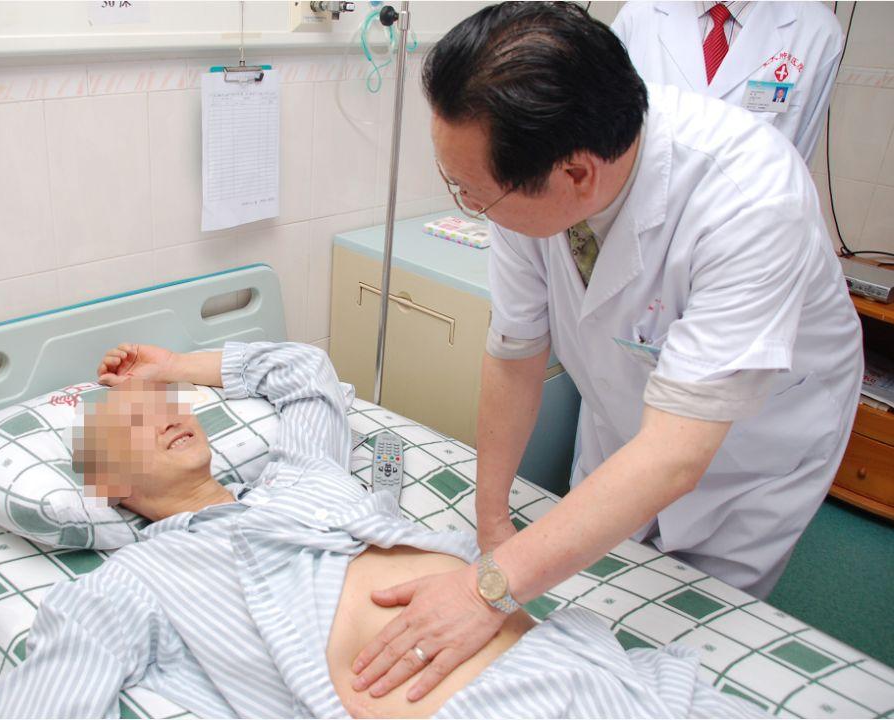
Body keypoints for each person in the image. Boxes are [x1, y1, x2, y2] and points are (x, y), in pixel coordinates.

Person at [348, 1, 861, 706]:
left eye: (472, 193)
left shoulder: (751, 198)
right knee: (588, 581)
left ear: (576, 176)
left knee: (687, 639)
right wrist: (492, 525)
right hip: (627, 400)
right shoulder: (528, 174)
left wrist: (485, 589)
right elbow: (516, 352)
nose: (466, 201)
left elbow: (676, 454)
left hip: (752, 445)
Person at [0, 341, 760, 719]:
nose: (163, 416)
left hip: (596, 671)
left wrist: (170, 368)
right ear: (107, 488)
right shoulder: (136, 581)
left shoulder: (300, 476)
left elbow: (306, 374)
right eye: (131, 424)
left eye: (165, 405)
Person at [612, 1, 843, 163]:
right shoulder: (637, 15)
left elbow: (798, 160)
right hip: (646, 213)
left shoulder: (818, 31)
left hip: (750, 215)